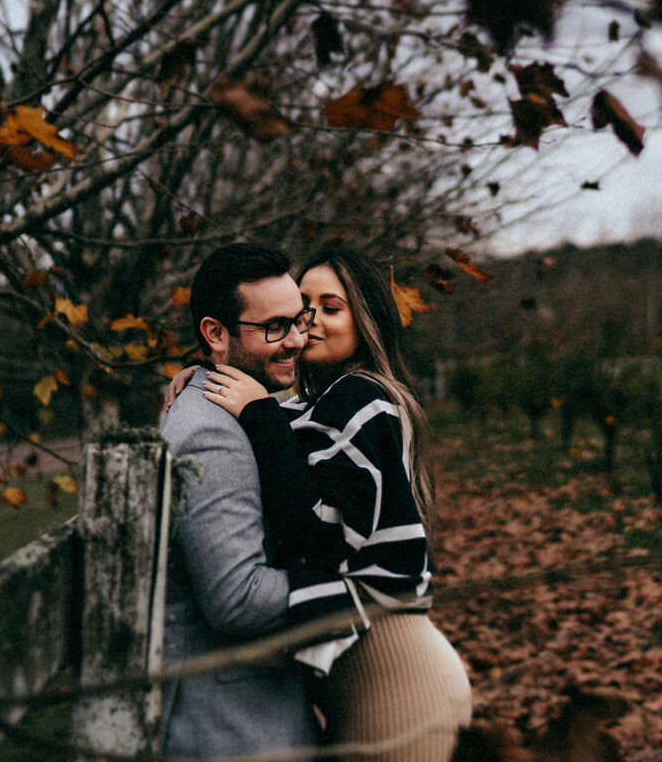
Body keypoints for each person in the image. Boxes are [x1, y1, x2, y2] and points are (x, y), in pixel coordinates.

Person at [197, 248, 473, 762]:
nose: (310, 323)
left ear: (365, 320)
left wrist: (257, 415)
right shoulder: (318, 405)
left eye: (332, 307)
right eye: (303, 308)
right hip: (370, 674)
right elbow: (277, 432)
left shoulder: (361, 400)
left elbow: (319, 533)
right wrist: (197, 381)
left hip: (396, 681)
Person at [160, 243, 360, 760]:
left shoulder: (234, 407)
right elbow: (238, 598)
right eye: (274, 327)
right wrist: (354, 588)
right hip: (236, 728)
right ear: (215, 334)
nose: (297, 339)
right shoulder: (213, 433)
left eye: (299, 320)